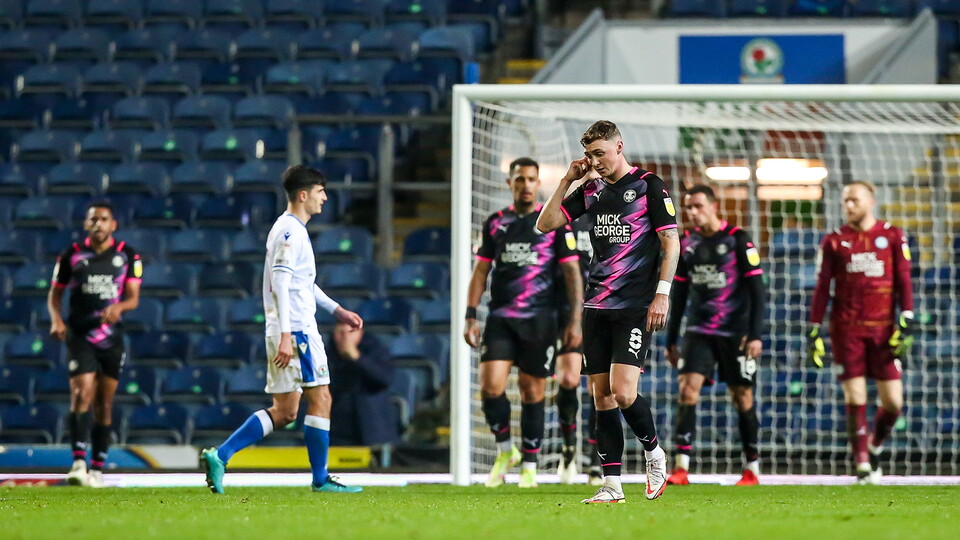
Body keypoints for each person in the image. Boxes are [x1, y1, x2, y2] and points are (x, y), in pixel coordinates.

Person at [537, 120, 680, 504]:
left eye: (599, 153)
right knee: (601, 397)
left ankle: (654, 453)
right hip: (595, 307)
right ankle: (611, 485)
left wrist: (662, 294)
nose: (594, 161)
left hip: (634, 307)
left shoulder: (649, 186)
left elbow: (671, 242)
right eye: (589, 155)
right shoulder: (591, 190)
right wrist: (567, 180)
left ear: (619, 147)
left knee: (623, 391)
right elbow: (544, 224)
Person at [200, 165, 364, 494]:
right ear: (303, 195)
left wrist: (337, 310)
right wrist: (288, 335)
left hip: (286, 329)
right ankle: (320, 479)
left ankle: (221, 455)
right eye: (320, 192)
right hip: (297, 331)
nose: (324, 197)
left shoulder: (289, 229)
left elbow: (303, 283)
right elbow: (280, 282)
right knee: (322, 398)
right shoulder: (290, 232)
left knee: (286, 411)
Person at [464, 157, 583, 489]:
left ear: (538, 183)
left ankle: (530, 465)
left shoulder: (553, 223)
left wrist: (575, 321)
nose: (526, 185)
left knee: (533, 391)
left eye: (531, 179)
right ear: (510, 183)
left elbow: (572, 274)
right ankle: (506, 450)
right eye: (520, 179)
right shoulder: (495, 223)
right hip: (501, 318)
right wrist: (470, 314)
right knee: (490, 387)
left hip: (540, 320)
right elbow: (481, 271)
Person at [807, 181, 914, 485]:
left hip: (884, 331)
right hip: (846, 330)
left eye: (854, 200)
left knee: (893, 403)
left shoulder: (892, 235)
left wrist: (907, 315)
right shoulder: (834, 241)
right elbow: (822, 287)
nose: (849, 205)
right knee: (855, 396)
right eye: (845, 201)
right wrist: (814, 328)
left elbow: (904, 279)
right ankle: (862, 465)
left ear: (871, 201)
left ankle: (875, 447)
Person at [664, 185, 766, 487]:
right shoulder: (687, 242)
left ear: (713, 206)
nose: (692, 212)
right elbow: (680, 294)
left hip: (735, 333)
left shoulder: (738, 239)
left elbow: (757, 291)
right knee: (687, 390)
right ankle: (681, 468)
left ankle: (751, 468)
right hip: (699, 331)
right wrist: (671, 339)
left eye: (698, 206)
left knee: (742, 396)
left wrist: (755, 334)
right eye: (688, 207)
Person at [48, 200, 142, 488]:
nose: (98, 224)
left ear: (113, 225)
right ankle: (78, 463)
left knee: (104, 404)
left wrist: (120, 307)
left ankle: (98, 468)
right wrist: (56, 320)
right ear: (86, 224)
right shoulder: (71, 255)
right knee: (81, 393)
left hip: (111, 338)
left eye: (103, 219)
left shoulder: (128, 255)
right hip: (80, 334)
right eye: (93, 219)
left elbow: (133, 298)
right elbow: (55, 294)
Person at [553, 212, 602, 485]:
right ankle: (568, 448)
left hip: (602, 309)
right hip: (568, 311)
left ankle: (596, 460)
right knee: (568, 379)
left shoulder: (610, 217)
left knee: (599, 388)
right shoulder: (565, 220)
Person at [327, 321, 396, 446]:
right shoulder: (327, 354)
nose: (345, 337)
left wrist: (356, 358)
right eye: (340, 332)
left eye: (350, 332)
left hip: (371, 427)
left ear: (360, 333)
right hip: (338, 429)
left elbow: (384, 378)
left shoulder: (374, 349)